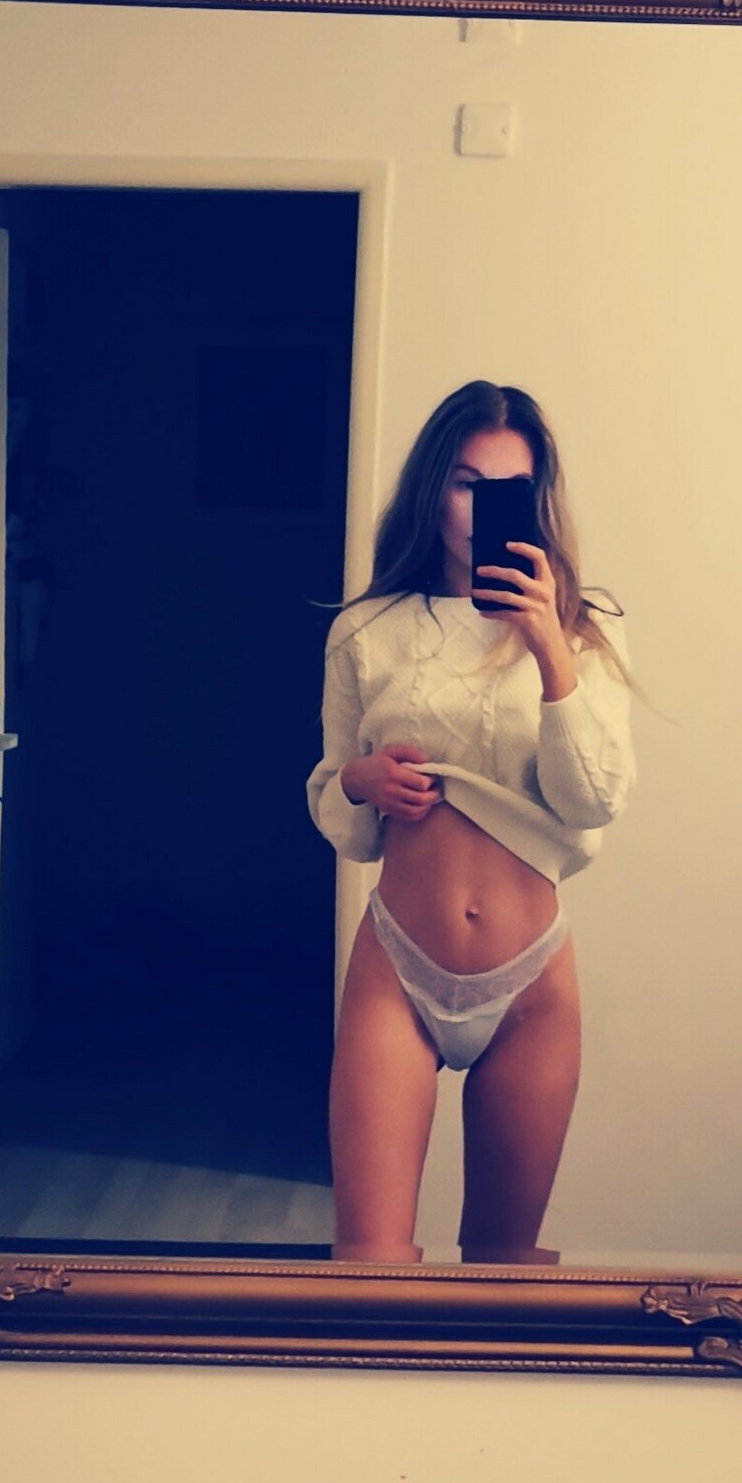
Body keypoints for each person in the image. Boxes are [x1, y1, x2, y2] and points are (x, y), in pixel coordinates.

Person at [306, 380, 638, 1264]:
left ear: (538, 499)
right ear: (433, 488)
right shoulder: (366, 629)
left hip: (532, 986)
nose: (482, 508)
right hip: (396, 968)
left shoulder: (589, 628)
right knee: (367, 1269)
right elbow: (343, 818)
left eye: (508, 489)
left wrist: (549, 644)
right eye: (465, 483)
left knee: (500, 1271)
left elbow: (594, 799)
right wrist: (362, 781)